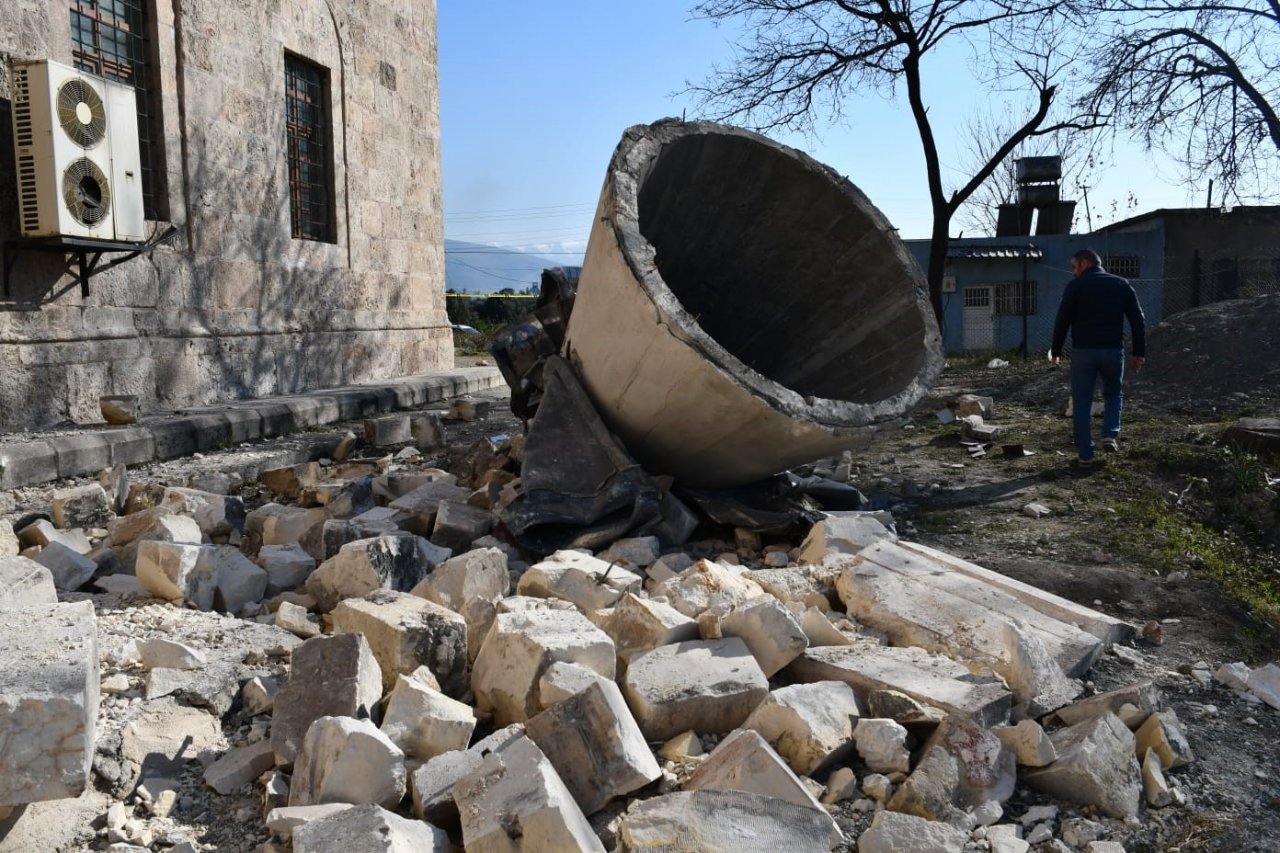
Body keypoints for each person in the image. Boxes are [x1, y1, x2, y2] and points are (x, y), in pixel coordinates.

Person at [1050, 249, 1146, 467]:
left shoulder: (1076, 286)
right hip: (1113, 350)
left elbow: (1062, 320)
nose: (1073, 272)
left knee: (1082, 401)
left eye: (1074, 267)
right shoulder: (1121, 284)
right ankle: (1110, 434)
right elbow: (1137, 319)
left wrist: (1056, 352)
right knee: (1113, 393)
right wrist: (1139, 352)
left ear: (1084, 263)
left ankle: (1086, 456)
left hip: (1083, 352)